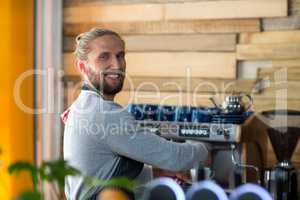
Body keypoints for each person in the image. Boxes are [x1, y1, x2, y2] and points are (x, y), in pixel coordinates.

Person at [63, 28, 209, 200]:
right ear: (83, 67)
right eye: (104, 57)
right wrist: (206, 148)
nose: (117, 65)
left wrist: (155, 173)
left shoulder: (82, 106)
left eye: (120, 55)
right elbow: (175, 157)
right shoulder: (105, 113)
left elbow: (103, 172)